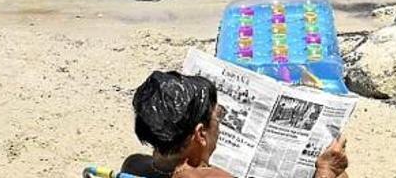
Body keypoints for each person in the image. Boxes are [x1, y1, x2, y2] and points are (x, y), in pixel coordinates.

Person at [122, 71, 350, 178]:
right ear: (200, 133)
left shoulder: (133, 166)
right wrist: (326, 171)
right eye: (218, 116)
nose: (219, 124)